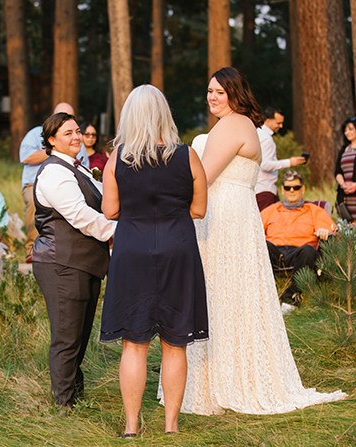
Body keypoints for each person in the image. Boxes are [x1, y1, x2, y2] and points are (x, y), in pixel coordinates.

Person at [179, 67, 346, 415]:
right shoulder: (236, 124)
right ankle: (222, 376)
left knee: (223, 294)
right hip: (228, 214)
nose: (212, 97)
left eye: (220, 92)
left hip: (224, 216)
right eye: (209, 91)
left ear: (236, 94)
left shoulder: (234, 123)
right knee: (226, 295)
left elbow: (203, 176)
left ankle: (229, 380)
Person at [100, 85, 209, 436]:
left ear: (129, 116)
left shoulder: (118, 158)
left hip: (132, 248)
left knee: (135, 342)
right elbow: (199, 209)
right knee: (175, 342)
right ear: (165, 115)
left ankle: (132, 427)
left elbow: (110, 209)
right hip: (177, 247)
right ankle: (171, 426)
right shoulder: (187, 155)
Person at [31, 112, 116, 409]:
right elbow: (80, 216)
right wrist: (121, 232)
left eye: (78, 131)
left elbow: (105, 203)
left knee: (79, 334)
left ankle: (75, 397)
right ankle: (64, 406)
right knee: (67, 337)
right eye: (68, 133)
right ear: (52, 140)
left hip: (84, 263)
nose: (77, 137)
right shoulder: (54, 172)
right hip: (61, 264)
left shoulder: (76, 168)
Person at [19, 103, 89, 261]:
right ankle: (32, 249)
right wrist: (55, 149)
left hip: (70, 183)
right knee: (32, 200)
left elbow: (84, 166)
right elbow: (26, 157)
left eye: (70, 117)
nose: (66, 120)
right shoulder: (36, 133)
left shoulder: (77, 139)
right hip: (34, 184)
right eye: (62, 116)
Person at [261, 170, 336, 306]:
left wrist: (324, 231)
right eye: (287, 187)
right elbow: (254, 229)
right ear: (282, 190)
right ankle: (264, 296)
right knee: (263, 245)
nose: (292, 190)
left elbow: (330, 230)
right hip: (275, 252)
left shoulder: (314, 210)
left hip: (299, 253)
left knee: (308, 250)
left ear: (303, 189)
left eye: (296, 187)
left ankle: (291, 298)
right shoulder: (271, 210)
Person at [255, 106, 305, 211]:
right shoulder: (266, 139)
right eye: (278, 123)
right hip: (265, 190)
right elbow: (265, 164)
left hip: (259, 189)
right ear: (268, 121)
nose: (281, 126)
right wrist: (290, 162)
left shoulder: (256, 133)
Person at [334, 117, 356, 223]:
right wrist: (343, 184)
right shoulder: (344, 149)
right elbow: (338, 171)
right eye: (345, 130)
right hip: (345, 195)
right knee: (348, 225)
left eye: (350, 129)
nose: (347, 132)